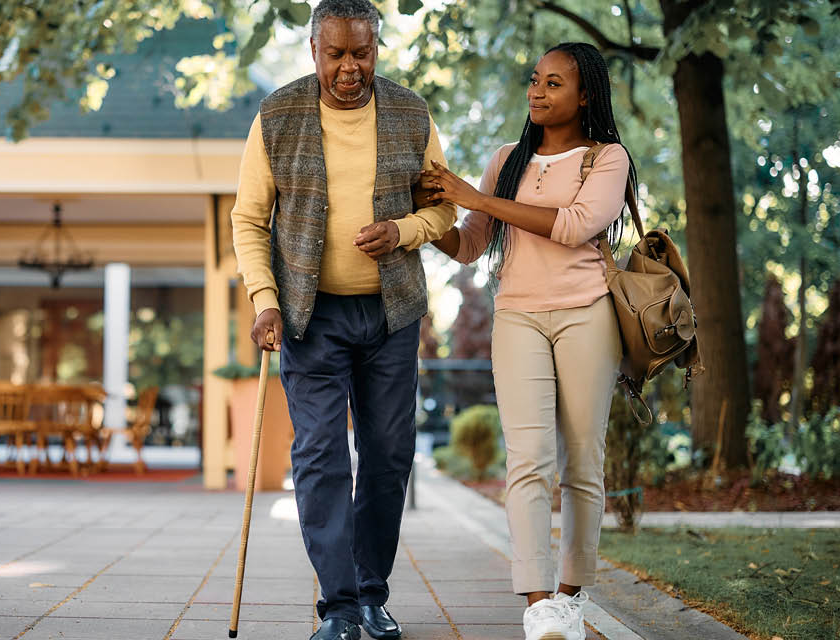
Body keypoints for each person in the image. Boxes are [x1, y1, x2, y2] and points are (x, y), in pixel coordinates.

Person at [229, 1, 456, 638]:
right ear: (315, 51)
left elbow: (444, 213)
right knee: (322, 455)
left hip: (391, 313)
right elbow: (249, 219)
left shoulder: (411, 113)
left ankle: (372, 595)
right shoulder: (278, 114)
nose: (350, 67)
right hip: (309, 314)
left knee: (387, 455)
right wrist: (264, 299)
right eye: (337, 54)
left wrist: (405, 230)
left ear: (377, 48)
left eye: (362, 52)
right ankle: (339, 605)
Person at [418, 42, 633, 640]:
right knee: (529, 462)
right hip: (518, 317)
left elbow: (571, 227)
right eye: (535, 80)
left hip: (586, 315)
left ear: (585, 93)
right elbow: (468, 244)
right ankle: (540, 603)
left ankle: (572, 593)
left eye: (554, 83)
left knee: (583, 462)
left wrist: (477, 198)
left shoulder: (606, 159)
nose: (537, 91)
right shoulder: (505, 160)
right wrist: (420, 221)